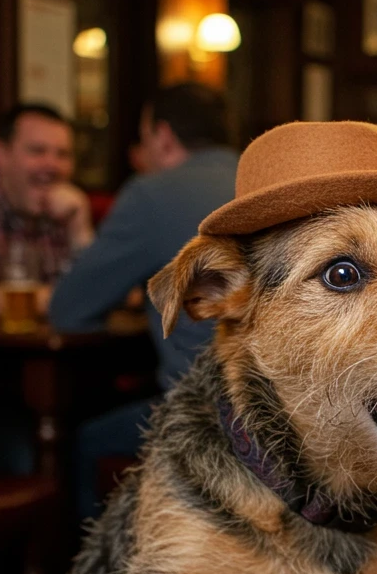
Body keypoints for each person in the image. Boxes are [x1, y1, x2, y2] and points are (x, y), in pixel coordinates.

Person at [49, 83, 238, 517]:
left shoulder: (151, 193)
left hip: (209, 416)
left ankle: (100, 560)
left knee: (87, 441)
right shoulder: (266, 183)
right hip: (286, 408)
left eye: (144, 137)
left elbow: (68, 311)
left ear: (164, 137)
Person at [0, 104, 93, 319]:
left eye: (63, 154)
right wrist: (72, 298)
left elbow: (114, 293)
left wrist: (80, 228)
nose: (52, 165)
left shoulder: (67, 209)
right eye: (37, 151)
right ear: (0, 155)